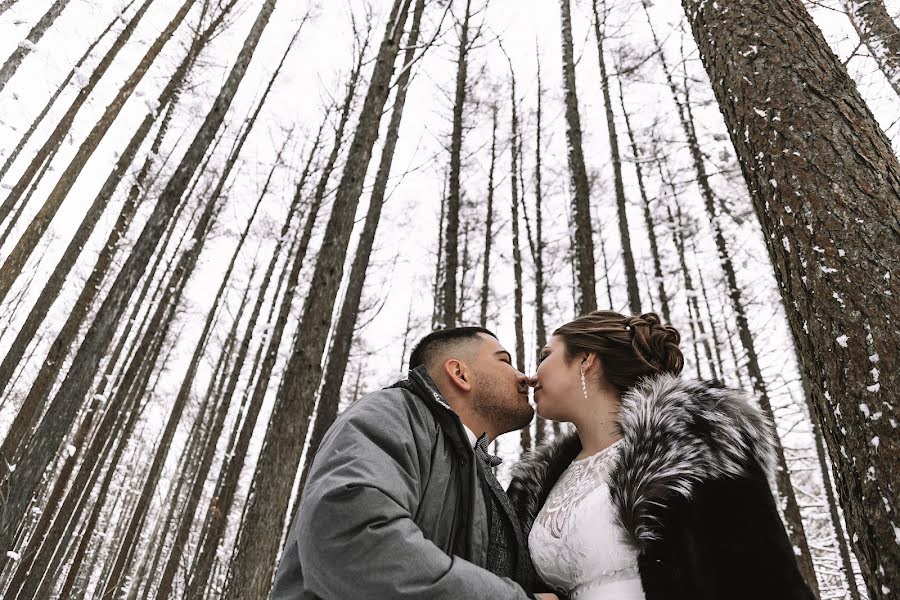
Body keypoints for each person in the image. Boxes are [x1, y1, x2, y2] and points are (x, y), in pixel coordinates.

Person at [507, 310, 816, 600]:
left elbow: (764, 576)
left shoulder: (694, 444)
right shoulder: (533, 488)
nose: (532, 376)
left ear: (586, 359)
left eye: (544, 356)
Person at [271, 326, 559, 599]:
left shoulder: (478, 471)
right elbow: (350, 540)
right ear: (460, 373)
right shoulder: (392, 414)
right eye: (505, 361)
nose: (524, 377)